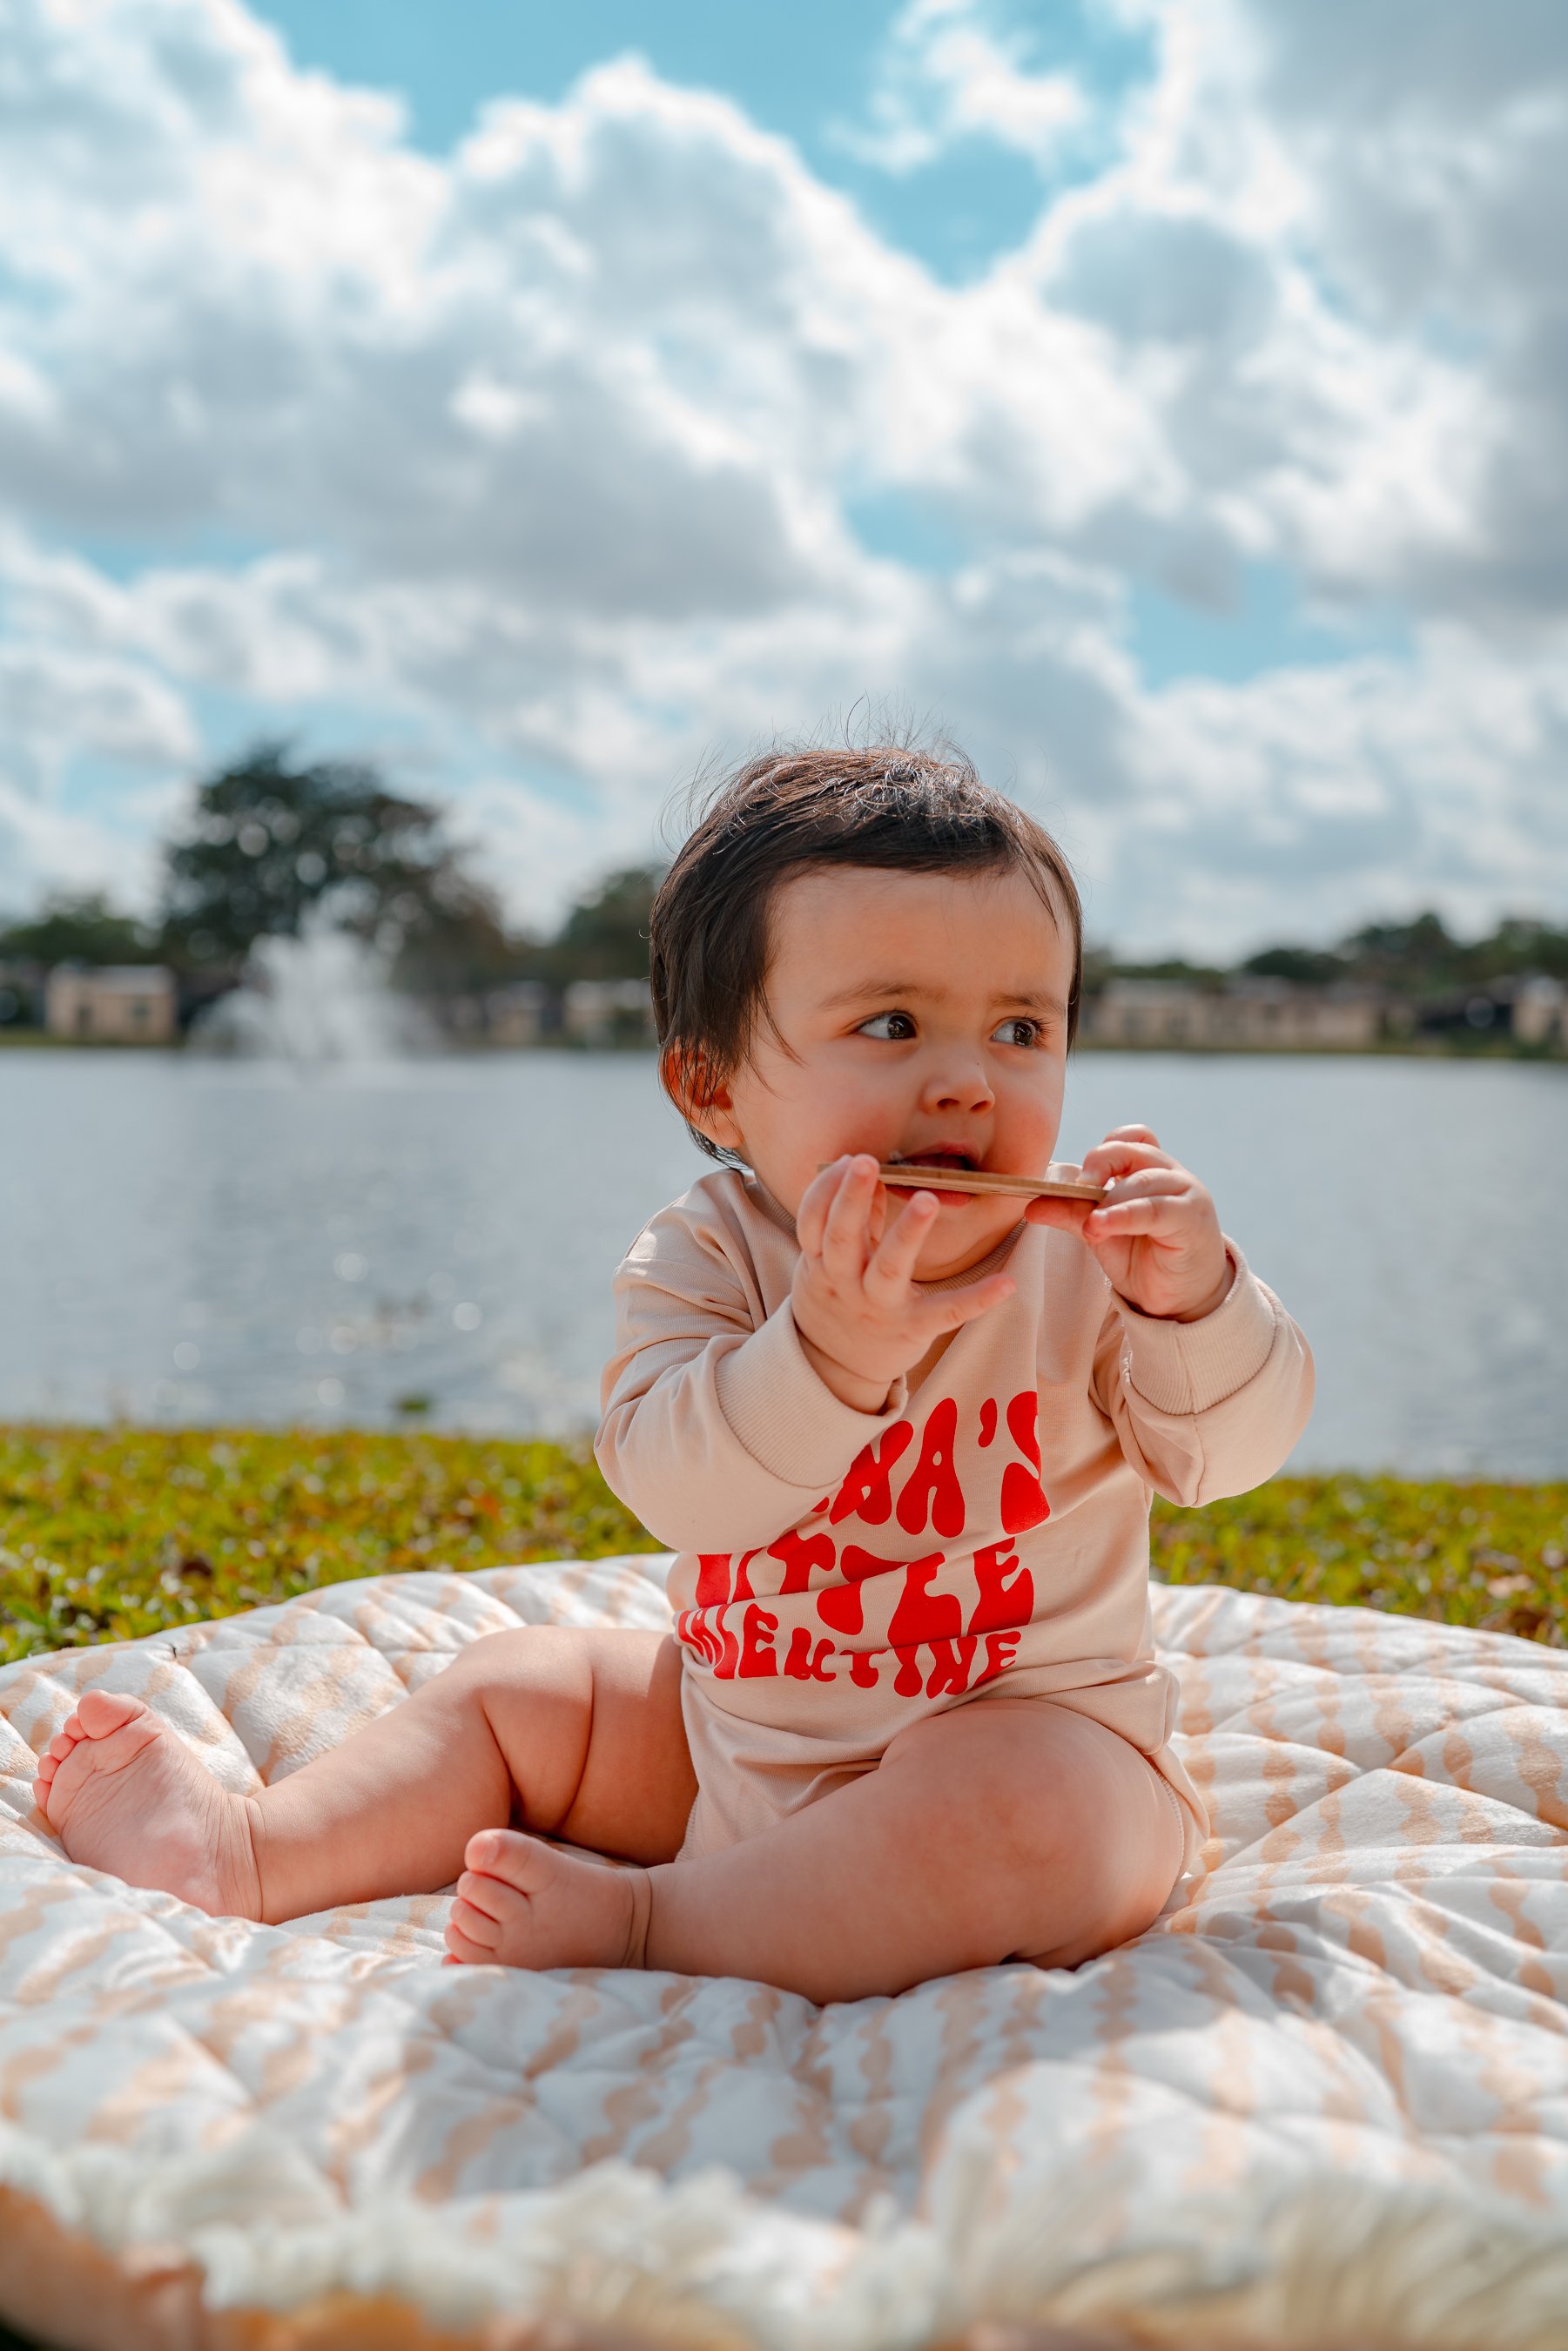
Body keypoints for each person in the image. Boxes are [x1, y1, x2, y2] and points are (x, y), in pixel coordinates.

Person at [36, 744, 1312, 2003]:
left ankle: (663, 1925)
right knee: (518, 1691)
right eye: (890, 1023)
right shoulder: (708, 1255)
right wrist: (829, 1350)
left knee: (1026, 1806)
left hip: (1036, 1756)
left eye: (1022, 1028)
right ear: (713, 1088)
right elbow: (680, 1493)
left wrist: (1197, 1303)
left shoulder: (1089, 1262)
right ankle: (249, 1852)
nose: (969, 1082)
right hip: (734, 1743)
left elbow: (1226, 1456)